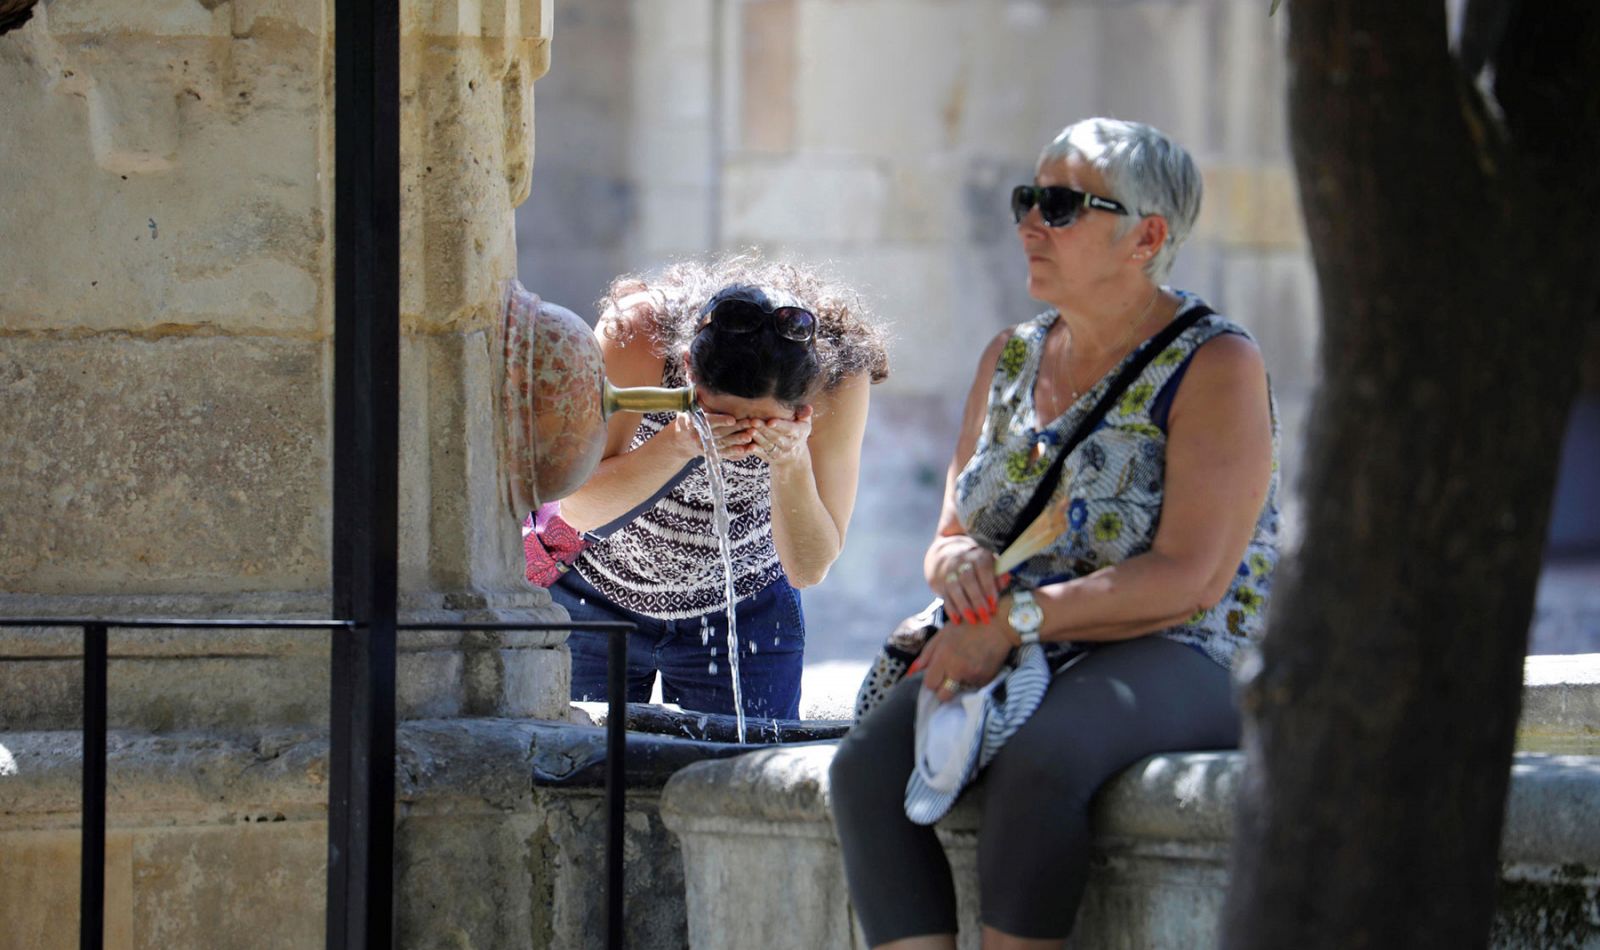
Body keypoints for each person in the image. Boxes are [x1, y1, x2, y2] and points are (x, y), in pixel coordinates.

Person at [829, 117, 1280, 948]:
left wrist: (1010, 623)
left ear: (1146, 236)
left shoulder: (1218, 364)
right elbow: (949, 536)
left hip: (1188, 644)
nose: (1030, 223)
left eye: (1063, 204)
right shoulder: (1009, 358)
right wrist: (958, 565)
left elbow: (1191, 578)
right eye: (1028, 199)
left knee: (1041, 763)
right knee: (861, 775)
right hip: (1021, 635)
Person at [547, 255, 890, 720]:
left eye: (765, 422)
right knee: (574, 771)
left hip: (745, 611)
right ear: (688, 368)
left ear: (805, 395)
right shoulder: (639, 333)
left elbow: (808, 569)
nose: (744, 434)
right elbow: (577, 509)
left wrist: (789, 462)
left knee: (742, 779)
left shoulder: (839, 376)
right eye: (721, 416)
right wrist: (678, 443)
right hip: (596, 599)